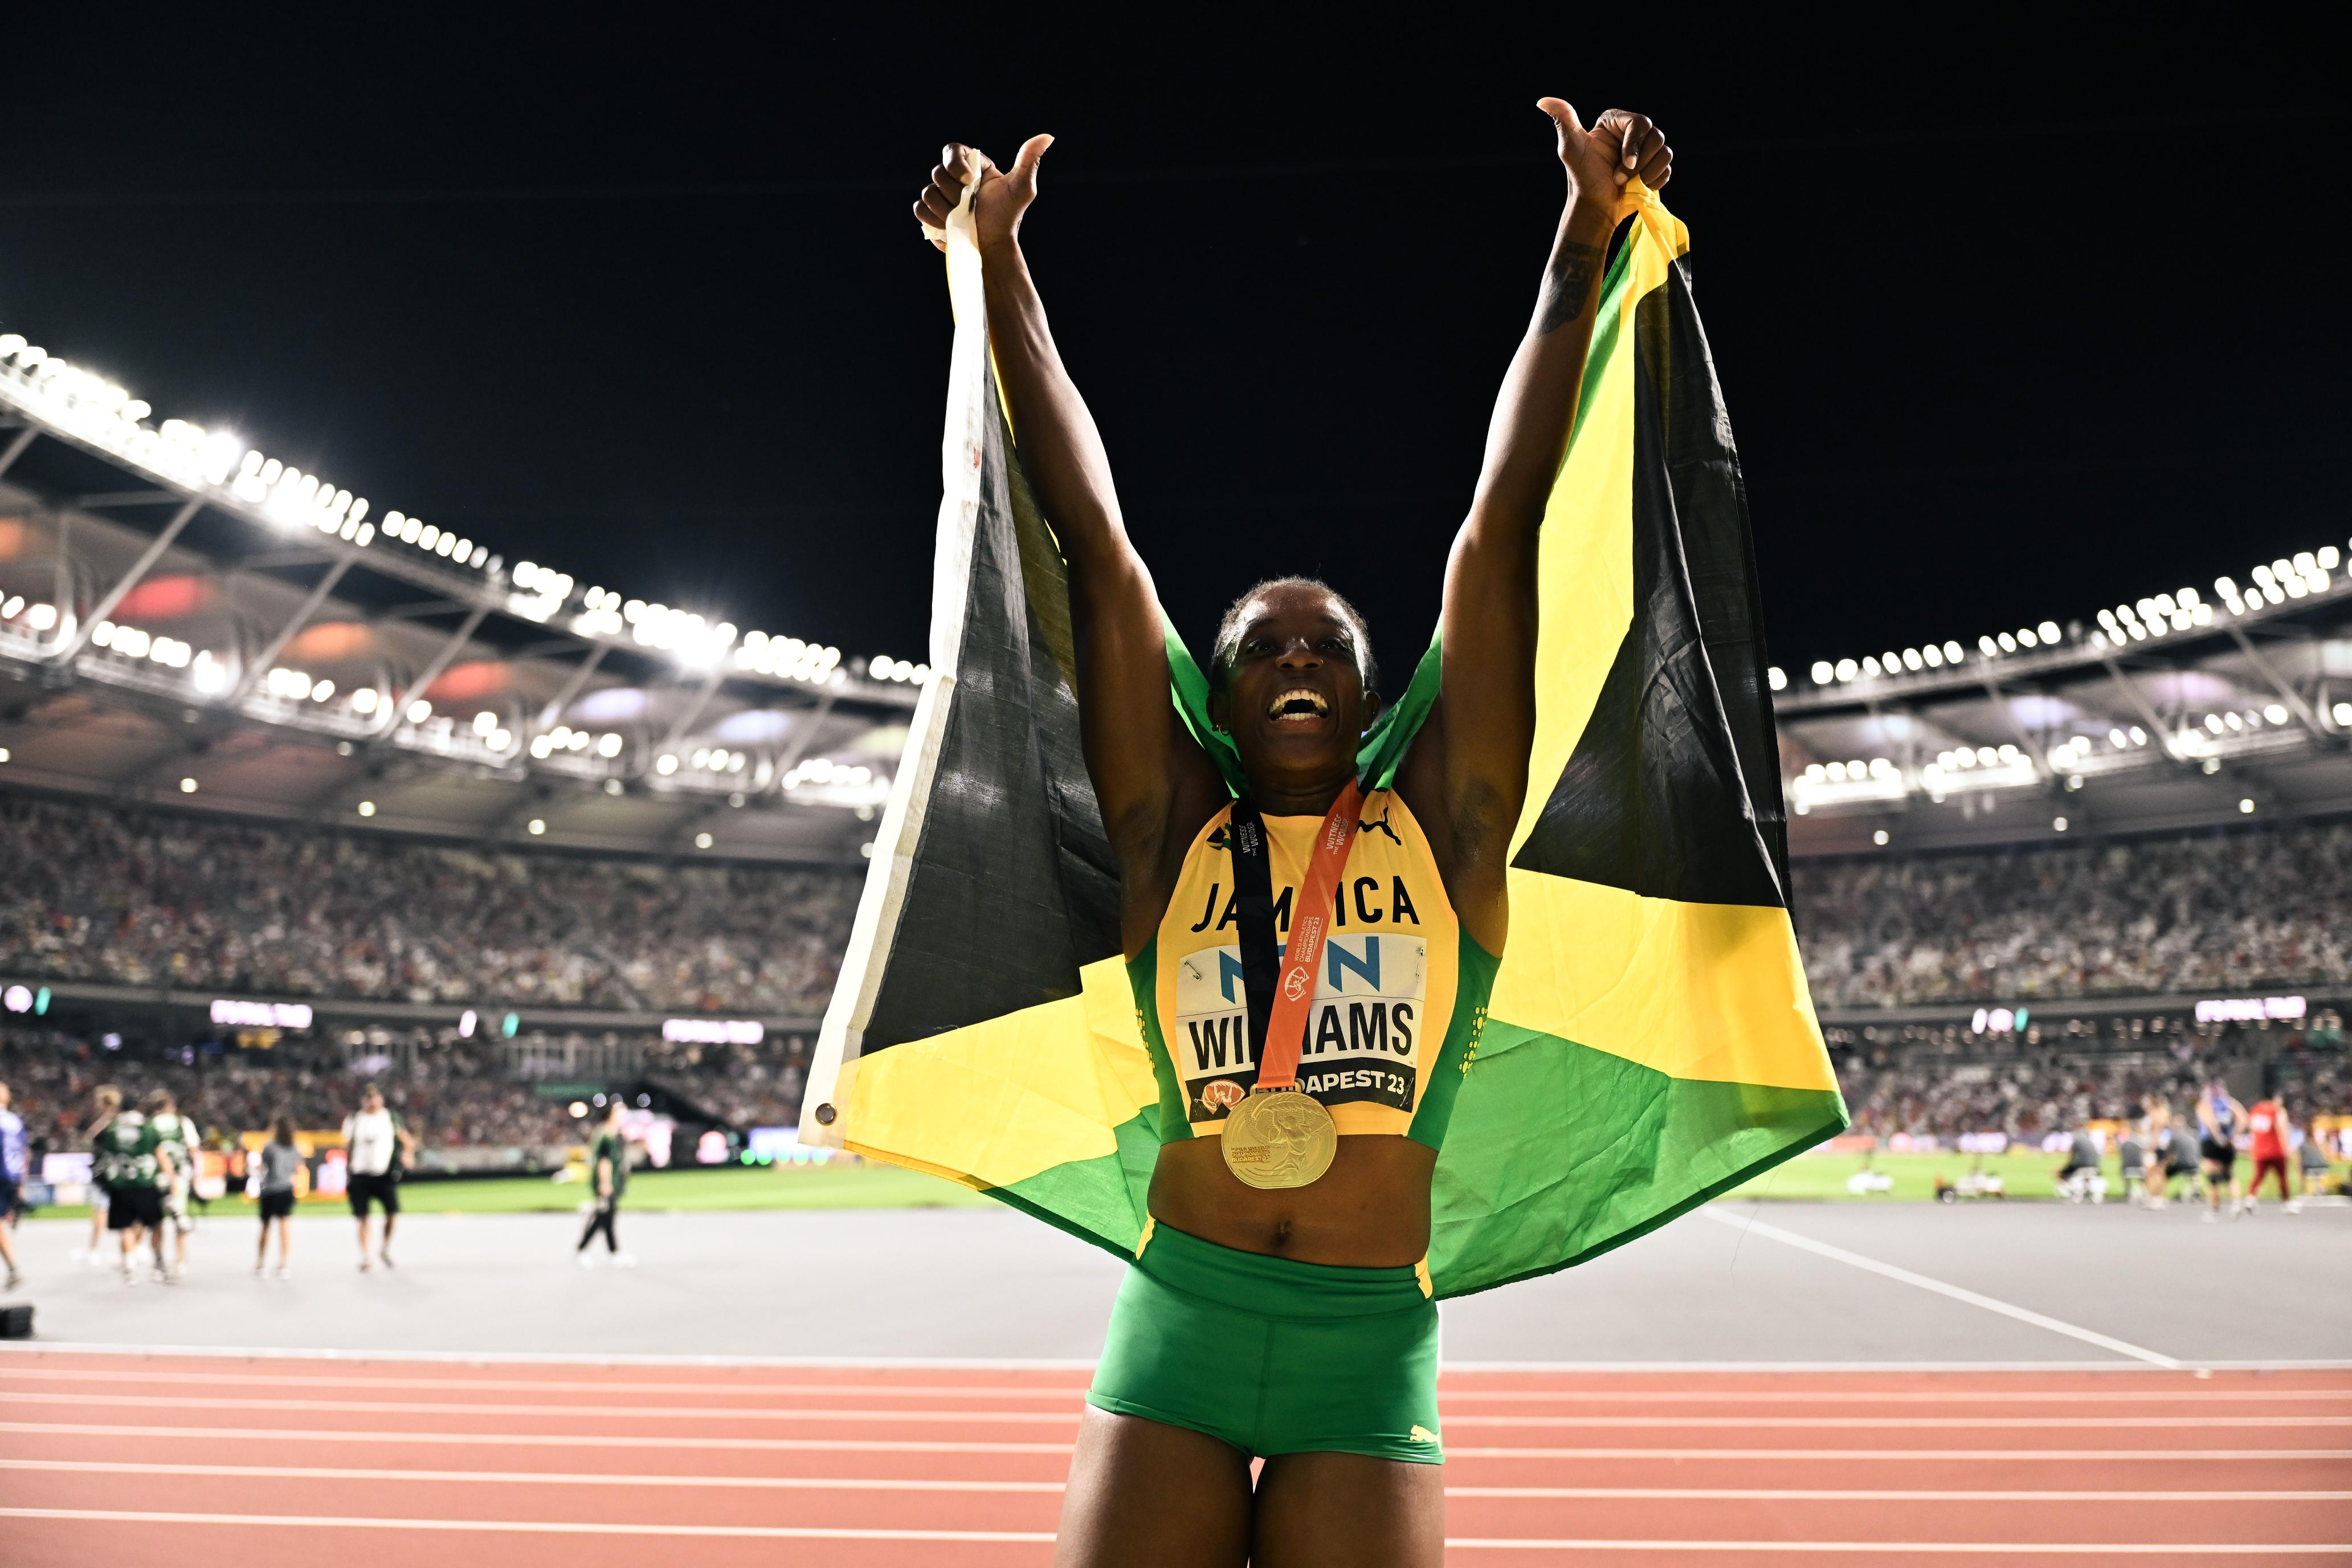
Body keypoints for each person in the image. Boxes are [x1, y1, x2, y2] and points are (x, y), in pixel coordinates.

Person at [909, 97, 1673, 1566]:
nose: (1298, 661)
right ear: (1223, 689)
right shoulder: (1166, 829)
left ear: (1377, 692)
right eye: (1263, 647)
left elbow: (1496, 526)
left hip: (1365, 1342)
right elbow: (1092, 537)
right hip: (1178, 1320)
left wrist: (1579, 235)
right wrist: (999, 264)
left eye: (1325, 646)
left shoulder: (1450, 828)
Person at [92, 1101, 173, 1285]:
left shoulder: (113, 1128)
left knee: (126, 1227)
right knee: (156, 1224)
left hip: (121, 1185)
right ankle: (158, 1263)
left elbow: (96, 1141)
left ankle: (130, 1267)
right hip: (146, 1183)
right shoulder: (147, 1128)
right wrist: (171, 1179)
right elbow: (160, 1154)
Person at [341, 1083, 416, 1272]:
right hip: (360, 1174)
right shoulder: (354, 1119)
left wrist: (407, 1155)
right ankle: (366, 1256)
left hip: (383, 1174)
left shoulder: (390, 1118)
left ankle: (384, 1249)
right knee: (363, 1217)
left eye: (375, 1098)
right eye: (368, 1098)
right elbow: (347, 1146)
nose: (372, 1102)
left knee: (392, 1213)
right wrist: (347, 1170)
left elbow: (407, 1141)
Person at [144, 1089, 201, 1280]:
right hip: (178, 1176)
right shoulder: (182, 1122)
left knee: (156, 1223)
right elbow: (194, 1150)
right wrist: (195, 1176)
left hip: (155, 1177)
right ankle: (179, 1263)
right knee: (180, 1220)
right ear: (171, 1105)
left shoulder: (150, 1125)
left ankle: (158, 1264)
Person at [575, 1097, 636, 1269]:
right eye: (620, 1112)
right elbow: (604, 1161)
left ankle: (614, 1253)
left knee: (608, 1218)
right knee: (603, 1218)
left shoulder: (613, 1133)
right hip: (606, 1183)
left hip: (613, 1182)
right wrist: (605, 1183)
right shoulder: (606, 1135)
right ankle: (581, 1250)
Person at [80, 1084, 124, 1264]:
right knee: (127, 1211)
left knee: (100, 1211)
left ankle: (95, 1250)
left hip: (104, 1172)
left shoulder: (107, 1122)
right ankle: (131, 1250)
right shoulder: (123, 1121)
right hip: (122, 1172)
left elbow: (89, 1138)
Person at [255, 1112, 300, 1279]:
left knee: (266, 1227)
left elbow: (262, 1166)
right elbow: (297, 1168)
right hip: (287, 1188)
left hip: (270, 1190)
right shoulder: (295, 1147)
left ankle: (261, 1264)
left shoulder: (270, 1146)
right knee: (285, 1227)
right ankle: (283, 1264)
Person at [2196, 1080, 2247, 1222]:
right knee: (2229, 1175)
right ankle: (2236, 1203)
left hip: (2211, 1142)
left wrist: (2217, 1136)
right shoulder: (2229, 1103)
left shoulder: (2206, 1104)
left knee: (2212, 1177)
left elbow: (2208, 1121)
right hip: (2229, 1143)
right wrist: (2234, 1135)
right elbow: (2243, 1118)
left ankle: (2214, 1210)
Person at [2241, 1094, 2294, 1214]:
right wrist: (2287, 1147)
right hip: (2275, 1150)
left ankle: (2250, 1199)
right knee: (2282, 1178)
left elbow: (2251, 1127)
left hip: (2259, 1150)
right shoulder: (2277, 1111)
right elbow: (2282, 1128)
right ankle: (2287, 1203)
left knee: (2258, 1176)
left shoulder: (2256, 1110)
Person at [0, 1080, 26, 1290]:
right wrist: (21, 1185)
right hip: (11, 1178)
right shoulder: (15, 1121)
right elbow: (24, 1153)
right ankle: (13, 1269)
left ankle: (14, 1269)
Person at [2116, 1121, 2149, 1207]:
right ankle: (2143, 1194)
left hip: (2127, 1168)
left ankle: (2129, 1192)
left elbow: (2122, 1154)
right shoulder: (2140, 1141)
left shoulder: (2125, 1143)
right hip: (2139, 1167)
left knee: (2124, 1172)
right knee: (2142, 1179)